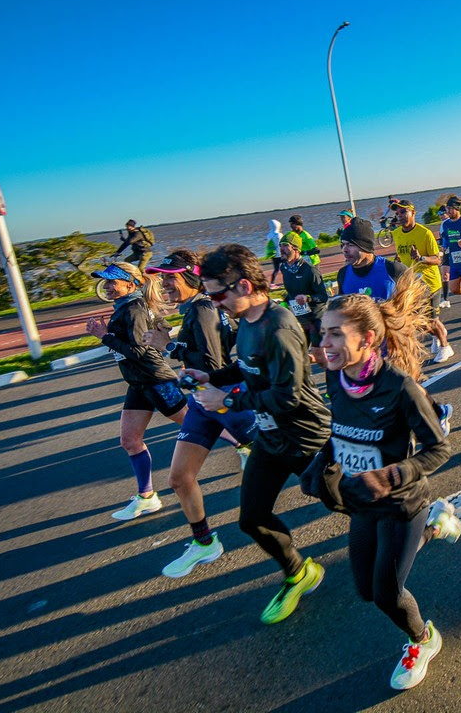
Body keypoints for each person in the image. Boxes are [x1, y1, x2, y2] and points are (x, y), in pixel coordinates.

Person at [304, 279, 461, 690]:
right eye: (324, 332)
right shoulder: (336, 378)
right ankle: (438, 524)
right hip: (362, 503)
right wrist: (321, 464)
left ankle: (423, 640)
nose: (326, 342)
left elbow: (438, 449)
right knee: (364, 588)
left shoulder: (399, 388)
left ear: (368, 338)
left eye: (336, 333)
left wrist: (392, 475)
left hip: (401, 504)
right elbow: (342, 430)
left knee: (387, 594)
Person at [188, 244, 332, 624]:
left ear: (244, 285)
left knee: (354, 505)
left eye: (217, 293)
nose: (214, 302)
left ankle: (427, 517)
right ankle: (300, 573)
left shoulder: (281, 327)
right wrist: (212, 377)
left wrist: (226, 401)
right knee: (252, 517)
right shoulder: (247, 323)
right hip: (271, 440)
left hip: (306, 439)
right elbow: (247, 368)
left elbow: (287, 397)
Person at [141, 250, 261, 579]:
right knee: (179, 478)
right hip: (200, 403)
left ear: (192, 279)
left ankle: (365, 496)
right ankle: (205, 542)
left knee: (302, 461)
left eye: (171, 277)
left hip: (223, 401)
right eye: (163, 277)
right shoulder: (199, 307)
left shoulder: (203, 309)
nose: (165, 283)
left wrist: (169, 346)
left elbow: (210, 364)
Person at [85, 261, 186, 521]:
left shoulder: (133, 309)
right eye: (105, 281)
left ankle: (245, 443)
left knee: (198, 424)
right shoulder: (125, 307)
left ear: (130, 284)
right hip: (139, 384)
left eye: (111, 281)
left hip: (156, 380)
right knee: (130, 440)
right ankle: (147, 497)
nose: (106, 286)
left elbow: (139, 352)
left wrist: (105, 337)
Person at [391, 199, 455, 363]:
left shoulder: (425, 233)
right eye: (397, 213)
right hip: (411, 285)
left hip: (429, 283)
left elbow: (437, 259)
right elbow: (400, 256)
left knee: (430, 320)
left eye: (404, 212)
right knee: (415, 321)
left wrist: (421, 258)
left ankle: (445, 347)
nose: (400, 216)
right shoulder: (397, 234)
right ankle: (438, 334)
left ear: (413, 213)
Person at [279, 231, 329, 363]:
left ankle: (334, 378)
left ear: (296, 249)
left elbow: (323, 296)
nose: (281, 249)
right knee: (297, 356)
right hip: (299, 319)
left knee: (320, 358)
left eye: (285, 245)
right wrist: (283, 303)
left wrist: (308, 298)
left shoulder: (310, 270)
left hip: (315, 319)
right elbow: (292, 293)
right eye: (280, 246)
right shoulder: (284, 268)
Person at [337, 217, 411, 301]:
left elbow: (422, 296)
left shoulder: (393, 270)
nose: (344, 250)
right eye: (343, 245)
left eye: (350, 245)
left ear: (365, 247)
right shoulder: (343, 275)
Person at [264, 220, 283, 287]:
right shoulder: (279, 235)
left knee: (276, 269)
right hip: (280, 254)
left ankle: (272, 283)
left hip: (273, 254)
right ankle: (287, 280)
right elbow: (281, 244)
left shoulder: (269, 235)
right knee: (286, 267)